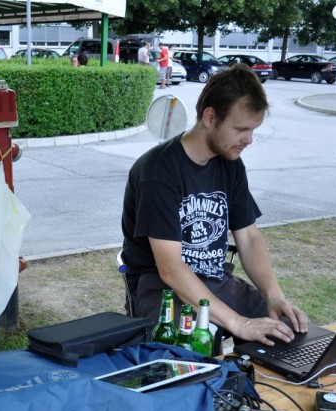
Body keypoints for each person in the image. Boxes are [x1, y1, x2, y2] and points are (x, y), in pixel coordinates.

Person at [120, 64, 308, 347]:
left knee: (288, 331)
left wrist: (274, 295)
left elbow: (249, 237)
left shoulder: (230, 163)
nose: (249, 140)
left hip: (214, 280)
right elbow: (170, 269)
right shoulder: (158, 172)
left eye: (253, 130)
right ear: (210, 117)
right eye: (241, 129)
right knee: (195, 349)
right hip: (162, 290)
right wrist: (238, 323)